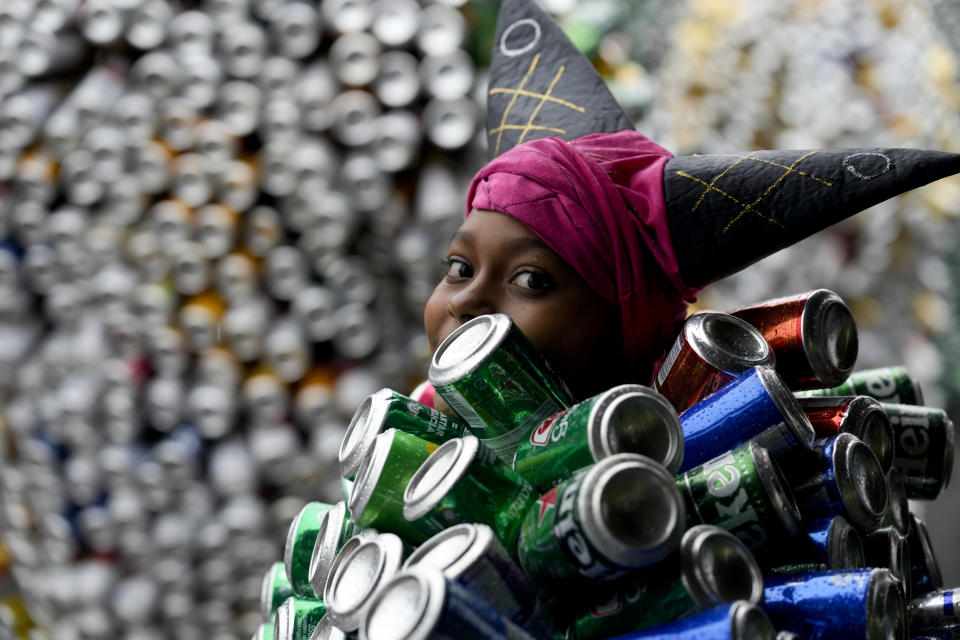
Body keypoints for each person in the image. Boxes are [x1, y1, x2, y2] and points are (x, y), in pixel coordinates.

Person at [415, 0, 960, 408]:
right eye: (459, 268)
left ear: (627, 321)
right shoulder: (422, 424)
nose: (465, 302)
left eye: (532, 280)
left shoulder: (695, 472)